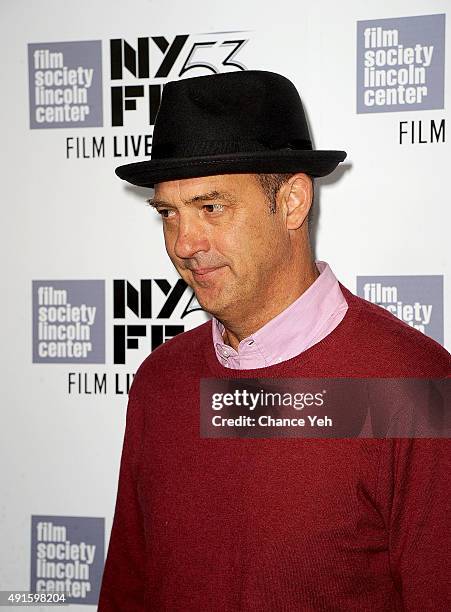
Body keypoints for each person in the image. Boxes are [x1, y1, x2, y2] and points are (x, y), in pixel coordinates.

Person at [98, 71, 450, 611]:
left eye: (211, 207)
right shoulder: (160, 380)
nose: (183, 243)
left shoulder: (414, 387)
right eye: (169, 213)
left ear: (292, 201)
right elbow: (127, 588)